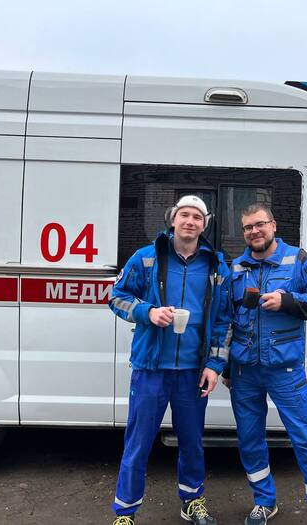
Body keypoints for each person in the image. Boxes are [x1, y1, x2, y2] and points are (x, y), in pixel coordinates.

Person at [109, 195, 232, 525]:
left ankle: (192, 501)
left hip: (193, 372)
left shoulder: (216, 266)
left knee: (192, 443)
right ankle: (125, 512)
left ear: (205, 225)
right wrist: (148, 312)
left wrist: (214, 365)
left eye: (197, 217)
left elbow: (223, 321)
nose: (190, 221)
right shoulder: (146, 258)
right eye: (184, 215)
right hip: (151, 368)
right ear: (173, 220)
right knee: (138, 443)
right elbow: (116, 298)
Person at [226, 203, 307, 525]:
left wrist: (287, 301)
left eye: (259, 224)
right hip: (244, 372)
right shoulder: (236, 268)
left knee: (306, 443)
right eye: (248, 227)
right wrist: (226, 367)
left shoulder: (298, 260)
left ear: (273, 225)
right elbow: (227, 319)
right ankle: (264, 502)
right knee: (250, 442)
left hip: (286, 372)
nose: (254, 231)